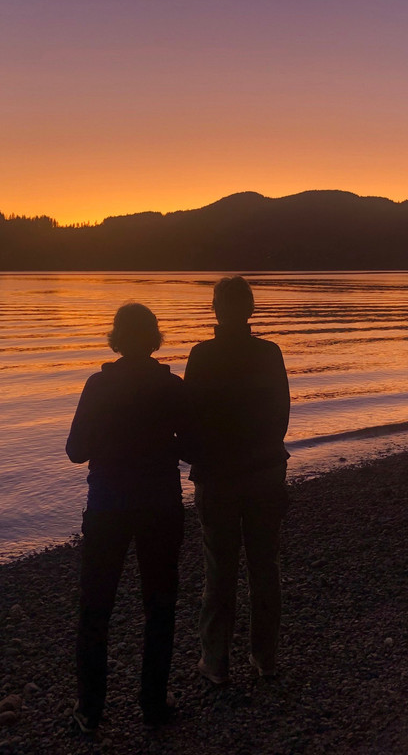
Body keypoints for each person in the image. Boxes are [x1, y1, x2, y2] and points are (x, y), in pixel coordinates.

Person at [65, 303, 185, 732]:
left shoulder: (98, 385)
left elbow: (76, 451)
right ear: (154, 339)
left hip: (108, 507)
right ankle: (153, 703)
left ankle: (90, 709)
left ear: (116, 338)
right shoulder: (172, 387)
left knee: (96, 608)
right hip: (160, 506)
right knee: (159, 606)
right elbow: (192, 447)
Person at [184, 275, 290, 684]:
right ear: (250, 310)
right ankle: (265, 658)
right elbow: (281, 415)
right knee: (265, 567)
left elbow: (190, 419)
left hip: (219, 477)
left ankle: (216, 662)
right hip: (264, 471)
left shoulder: (202, 356)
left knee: (219, 570)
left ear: (216, 309)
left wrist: (200, 457)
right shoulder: (269, 353)